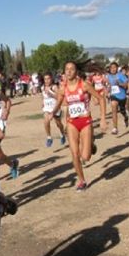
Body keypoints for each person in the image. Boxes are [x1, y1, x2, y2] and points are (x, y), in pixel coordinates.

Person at [51, 61, 104, 191]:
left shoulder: (84, 85)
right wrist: (52, 113)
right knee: (75, 154)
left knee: (85, 156)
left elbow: (101, 99)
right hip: (72, 123)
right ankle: (82, 181)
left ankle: (91, 144)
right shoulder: (63, 88)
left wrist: (103, 119)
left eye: (71, 69)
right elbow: (59, 103)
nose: (68, 71)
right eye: (66, 69)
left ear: (76, 72)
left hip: (85, 120)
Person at [40, 72, 66, 147]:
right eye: (45, 79)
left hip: (55, 107)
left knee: (58, 124)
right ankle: (49, 137)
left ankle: (62, 134)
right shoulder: (42, 87)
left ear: (51, 79)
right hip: (47, 108)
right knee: (46, 121)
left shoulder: (54, 87)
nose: (47, 81)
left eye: (48, 79)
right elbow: (43, 96)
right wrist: (42, 102)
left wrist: (50, 94)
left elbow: (59, 97)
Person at [107, 62, 129, 135]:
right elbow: (109, 85)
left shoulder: (121, 75)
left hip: (122, 96)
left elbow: (126, 86)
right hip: (114, 95)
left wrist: (119, 84)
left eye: (114, 67)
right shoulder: (108, 76)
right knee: (114, 107)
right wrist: (108, 89)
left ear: (117, 68)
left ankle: (125, 117)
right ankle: (115, 128)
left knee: (122, 111)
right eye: (111, 68)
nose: (113, 69)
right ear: (109, 69)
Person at [90, 68, 109, 133]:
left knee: (102, 102)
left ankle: (102, 114)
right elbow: (92, 84)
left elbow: (106, 82)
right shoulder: (93, 77)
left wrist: (105, 83)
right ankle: (102, 112)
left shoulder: (102, 76)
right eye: (96, 71)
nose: (97, 72)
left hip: (101, 89)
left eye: (98, 71)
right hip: (96, 90)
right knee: (96, 103)